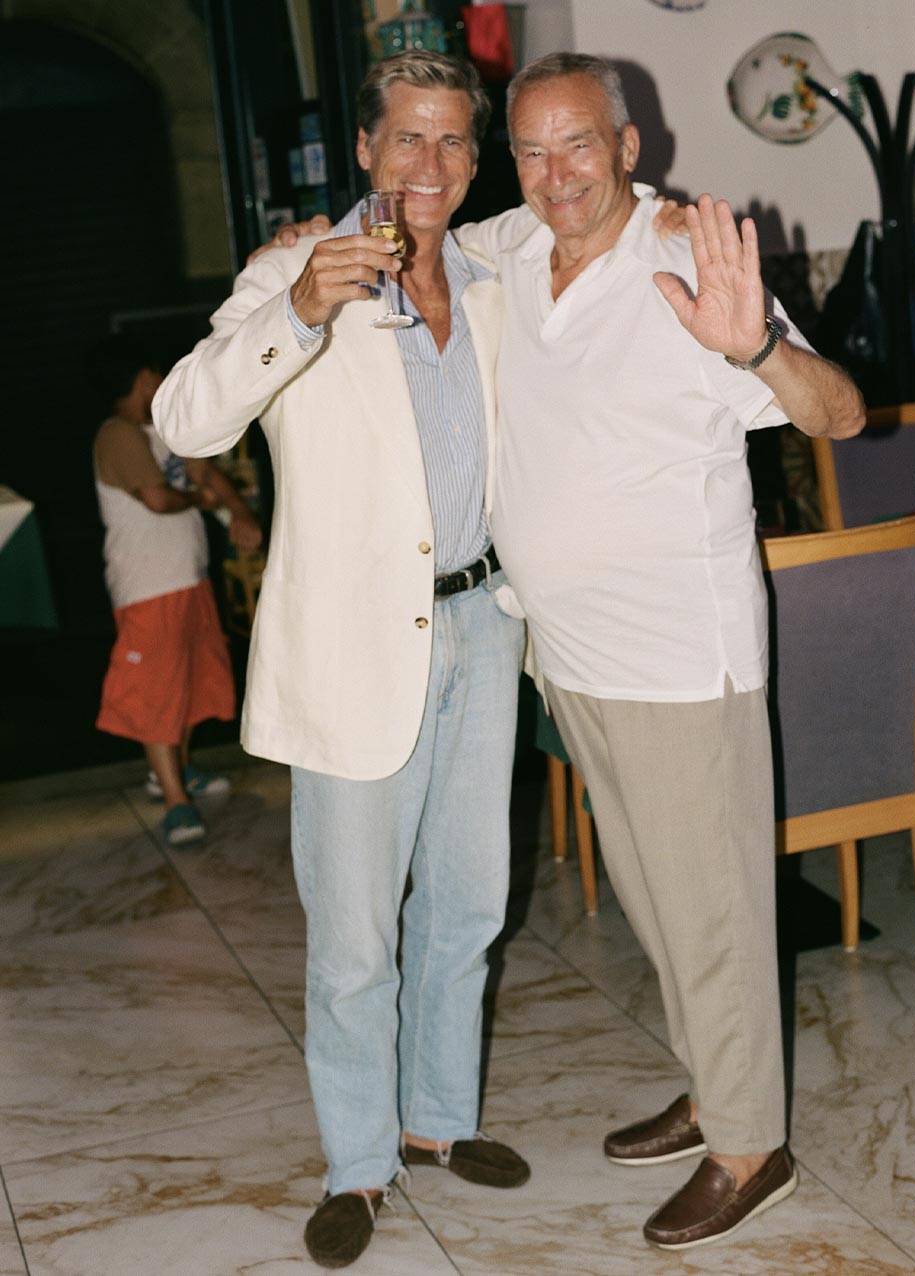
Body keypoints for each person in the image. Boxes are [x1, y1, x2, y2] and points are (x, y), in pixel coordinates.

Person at [453, 52, 865, 1251]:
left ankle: (750, 1146)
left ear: (628, 148)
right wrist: (309, 246)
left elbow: (841, 413)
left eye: (578, 143)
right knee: (655, 899)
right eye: (531, 150)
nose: (554, 173)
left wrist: (754, 349)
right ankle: (712, 1083)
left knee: (715, 909)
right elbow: (426, 228)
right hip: (571, 653)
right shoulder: (512, 248)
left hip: (682, 657)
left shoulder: (690, 261)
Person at [152, 52, 532, 1271]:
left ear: (475, 159)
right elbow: (182, 421)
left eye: (453, 140)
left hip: (484, 624)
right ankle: (359, 1162)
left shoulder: (493, 272)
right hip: (357, 643)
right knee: (357, 935)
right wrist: (301, 308)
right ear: (363, 150)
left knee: (468, 902)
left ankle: (437, 1119)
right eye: (407, 138)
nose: (431, 163)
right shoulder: (289, 273)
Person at [89, 334, 262, 847]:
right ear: (143, 377)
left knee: (188, 684)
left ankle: (177, 772)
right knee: (157, 693)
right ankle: (174, 801)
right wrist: (205, 502)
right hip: (149, 587)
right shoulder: (117, 435)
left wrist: (239, 511)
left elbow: (205, 472)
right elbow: (159, 499)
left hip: (187, 579)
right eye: (157, 373)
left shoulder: (164, 428)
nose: (163, 381)